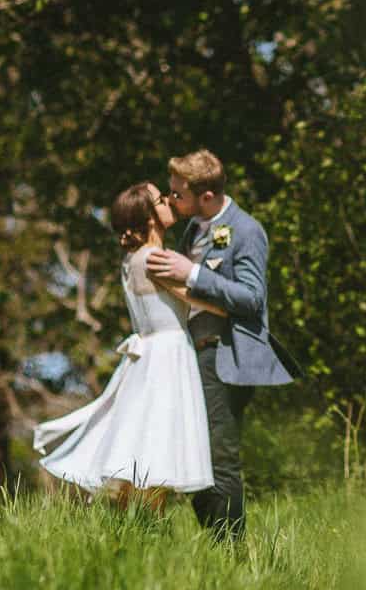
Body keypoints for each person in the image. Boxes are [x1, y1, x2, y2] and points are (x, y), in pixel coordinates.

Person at [33, 181, 223, 509]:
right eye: (161, 200)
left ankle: (131, 529)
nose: (169, 202)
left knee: (146, 446)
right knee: (157, 447)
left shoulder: (133, 258)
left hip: (149, 356)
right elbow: (209, 303)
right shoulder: (155, 258)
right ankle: (141, 528)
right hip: (166, 357)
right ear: (148, 216)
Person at [145, 149, 295, 542]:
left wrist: (191, 272)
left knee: (218, 458)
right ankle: (219, 543)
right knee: (190, 452)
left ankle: (232, 552)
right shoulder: (195, 226)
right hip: (193, 353)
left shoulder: (246, 230)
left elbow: (252, 298)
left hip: (225, 354)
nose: (172, 198)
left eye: (178, 194)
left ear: (206, 196)